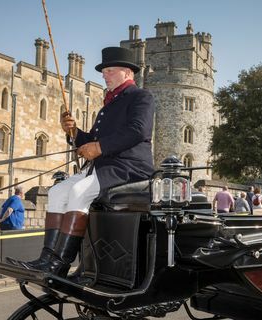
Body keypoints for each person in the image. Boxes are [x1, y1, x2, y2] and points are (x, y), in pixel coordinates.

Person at [11, 47, 155, 277]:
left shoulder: (141, 97)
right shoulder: (108, 106)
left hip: (129, 168)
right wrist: (74, 132)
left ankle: (61, 264)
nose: (104, 75)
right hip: (103, 167)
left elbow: (138, 131)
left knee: (78, 190)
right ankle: (47, 258)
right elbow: (91, 141)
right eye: (104, 71)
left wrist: (99, 147)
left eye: (109, 70)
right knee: (57, 191)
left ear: (127, 73)